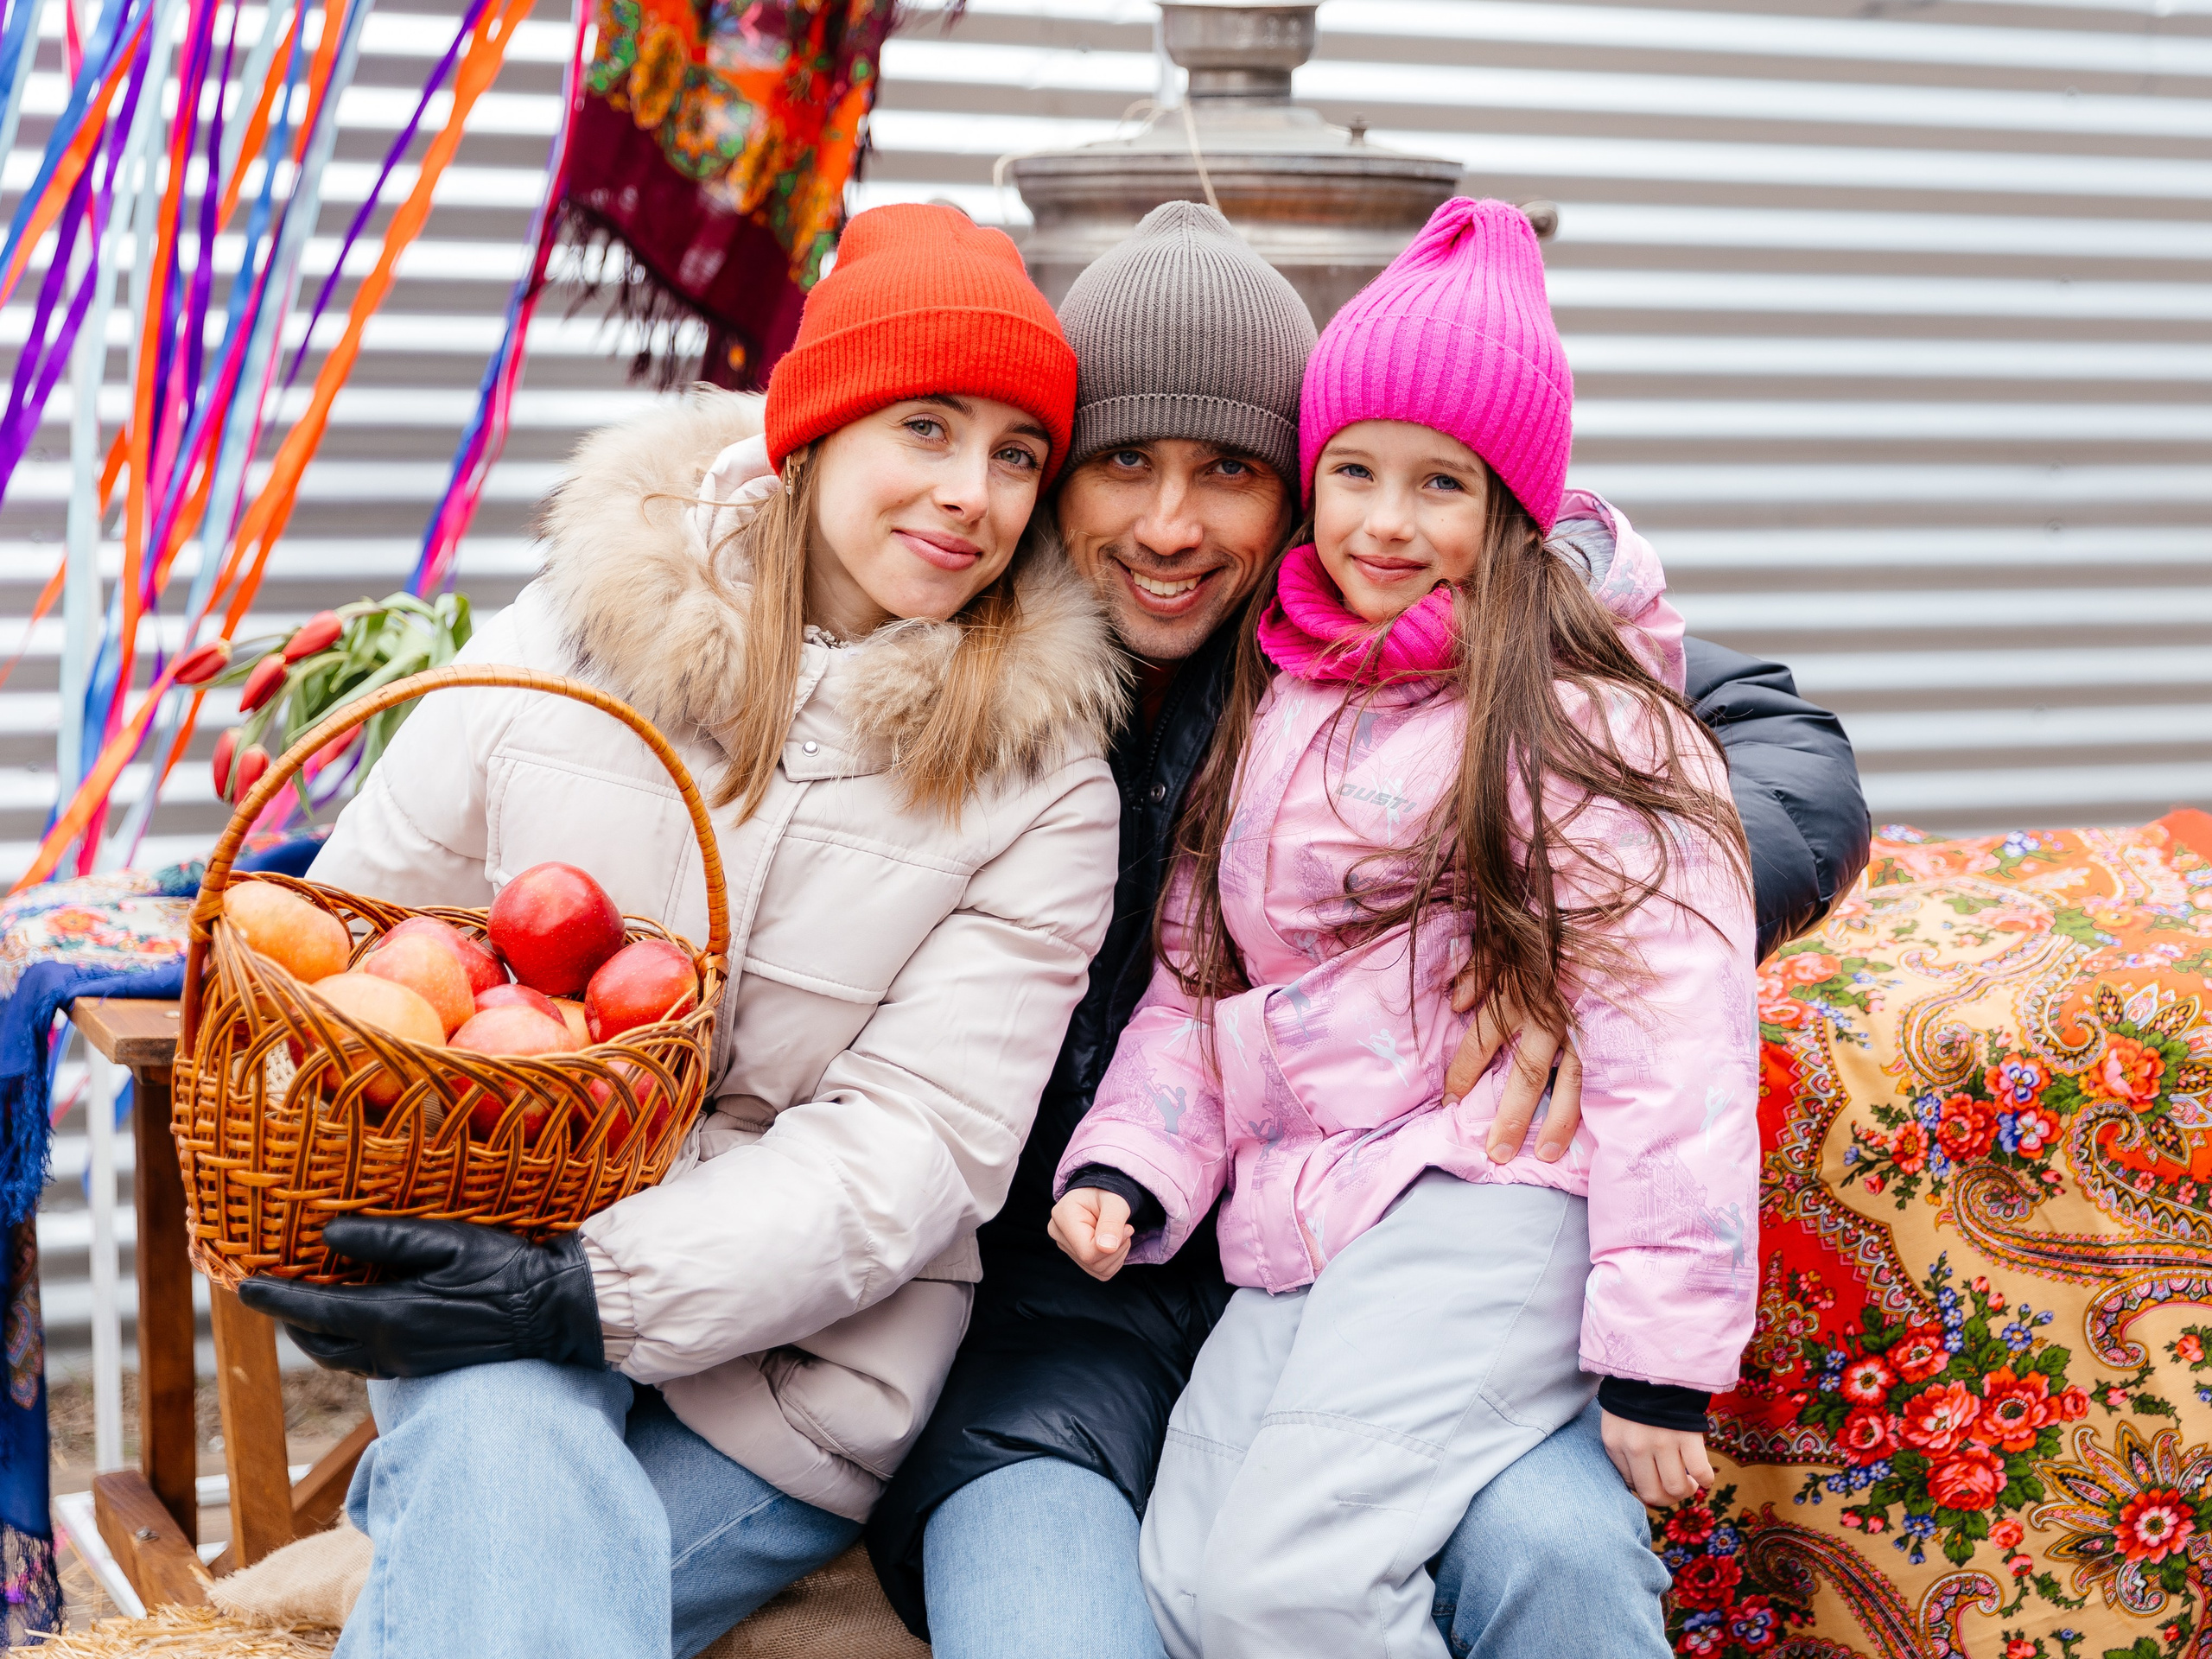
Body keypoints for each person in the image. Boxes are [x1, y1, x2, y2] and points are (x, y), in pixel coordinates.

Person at [868, 200, 1871, 1659]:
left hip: (1422, 1239)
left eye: (1229, 470)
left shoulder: (1477, 651)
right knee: (1146, 1605)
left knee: (1550, 1558)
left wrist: (1543, 948)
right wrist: (1122, 1172)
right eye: (1122, 463)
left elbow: (1762, 759)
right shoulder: (977, 655)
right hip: (1097, 1310)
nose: (1168, 523)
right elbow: (1193, 994)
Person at [238, 204, 1128, 1659]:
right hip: (497, 1274)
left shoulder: (1039, 782)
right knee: (505, 1454)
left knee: (488, 1586)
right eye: (926, 427)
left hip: (794, 1384)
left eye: (1018, 453)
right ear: (817, 426)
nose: (974, 493)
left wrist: (598, 1290)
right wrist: (502, 1271)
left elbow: (916, 1147)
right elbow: (363, 940)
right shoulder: (566, 635)